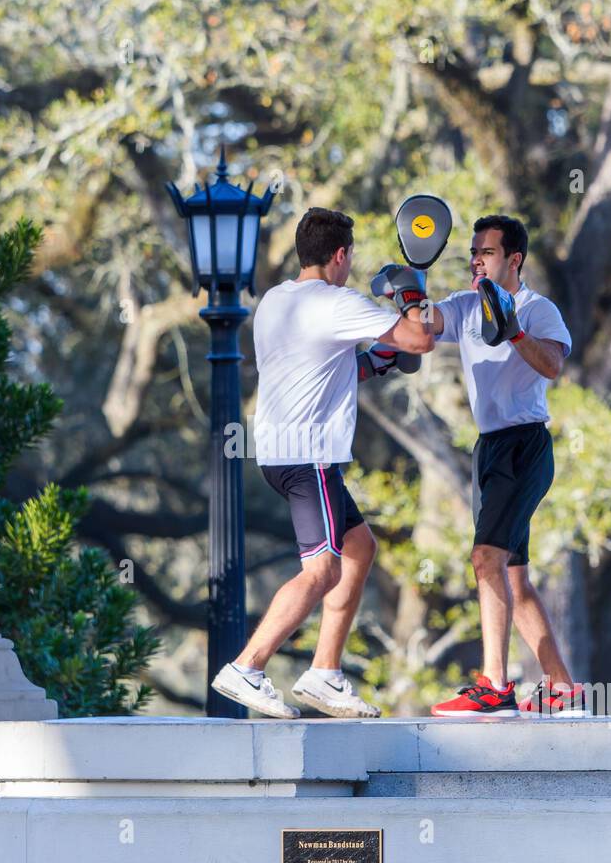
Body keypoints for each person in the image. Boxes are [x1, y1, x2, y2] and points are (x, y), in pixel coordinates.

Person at [211, 207, 434, 718]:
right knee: (322, 569)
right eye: (350, 256)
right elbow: (420, 339)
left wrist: (377, 360)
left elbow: (326, 370)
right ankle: (247, 665)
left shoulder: (275, 301)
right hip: (309, 456)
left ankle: (324, 673)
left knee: (358, 548)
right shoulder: (337, 303)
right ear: (340, 255)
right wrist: (411, 293)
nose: (351, 265)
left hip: (279, 453)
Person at [423, 215, 587, 717]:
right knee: (513, 577)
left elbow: (553, 366)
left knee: (485, 559)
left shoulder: (539, 309)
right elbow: (423, 328)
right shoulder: (466, 305)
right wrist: (409, 288)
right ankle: (560, 685)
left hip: (525, 447)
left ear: (514, 259)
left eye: (487, 252)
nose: (476, 259)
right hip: (488, 449)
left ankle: (495, 684)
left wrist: (514, 331)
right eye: (474, 251)